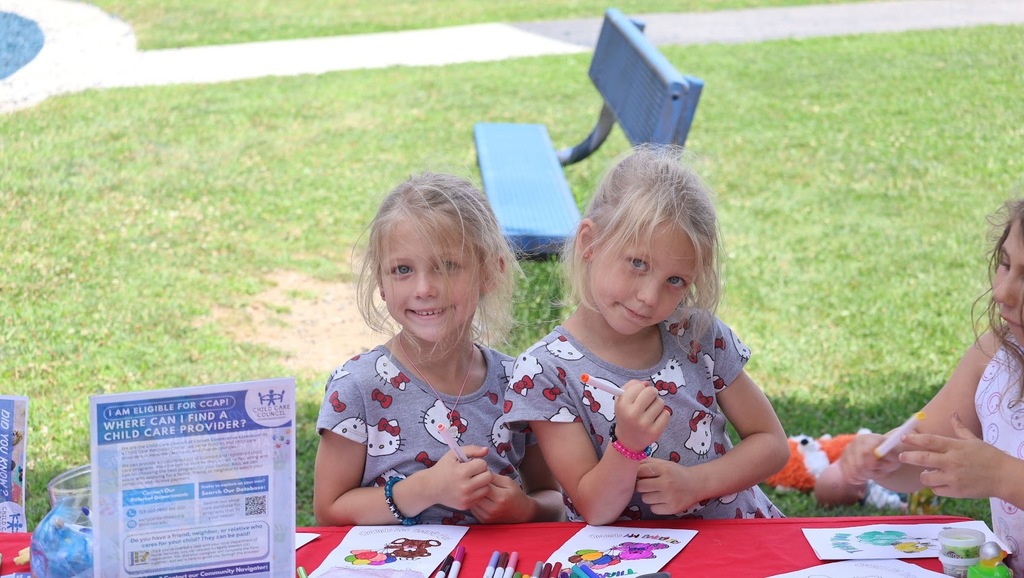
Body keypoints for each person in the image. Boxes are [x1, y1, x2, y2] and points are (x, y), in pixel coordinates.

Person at [504, 145, 790, 524]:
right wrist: (628, 445)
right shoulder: (545, 372)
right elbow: (595, 508)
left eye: (675, 280)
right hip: (627, 559)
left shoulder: (697, 335)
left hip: (736, 540)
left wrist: (695, 483)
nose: (650, 297)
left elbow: (771, 444)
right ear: (590, 243)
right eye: (638, 263)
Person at [313, 172, 565, 526]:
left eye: (446, 266)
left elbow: (555, 499)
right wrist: (424, 490)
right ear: (382, 284)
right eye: (402, 269)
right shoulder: (357, 387)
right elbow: (329, 510)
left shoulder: (519, 384)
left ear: (490, 272)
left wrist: (526, 509)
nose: (424, 288)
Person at [835, 198, 1024, 575]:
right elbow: (926, 451)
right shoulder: (996, 356)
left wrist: (1005, 477)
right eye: (1005, 264)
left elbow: (999, 474)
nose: (1003, 292)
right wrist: (887, 457)